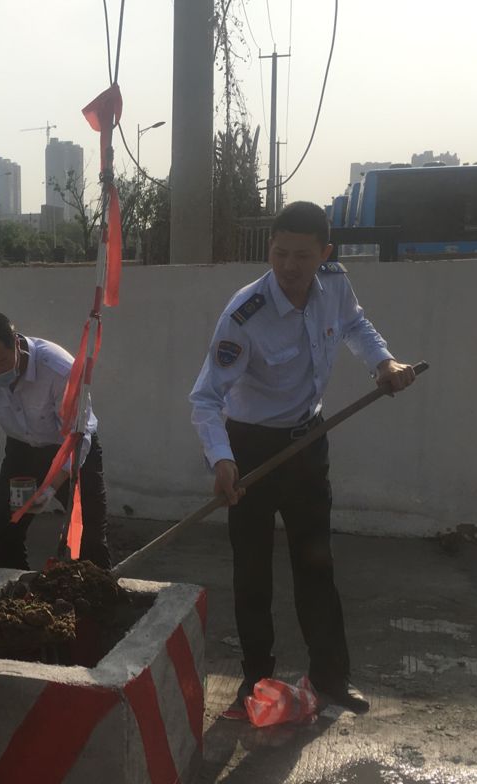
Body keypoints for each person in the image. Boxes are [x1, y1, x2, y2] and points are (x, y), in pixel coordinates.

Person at [189, 201, 417, 718]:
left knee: (316, 564)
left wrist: (383, 363)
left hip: (309, 442)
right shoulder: (245, 314)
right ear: (269, 250)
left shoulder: (335, 285)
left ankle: (331, 677)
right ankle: (255, 680)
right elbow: (205, 398)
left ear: (325, 254)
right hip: (250, 450)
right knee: (252, 573)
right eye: (279, 253)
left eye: (302, 256)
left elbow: (355, 325)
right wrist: (221, 460)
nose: (289, 266)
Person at [0, 310, 112, 570]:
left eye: (1, 362)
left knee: (89, 537)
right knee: (6, 534)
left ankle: (97, 591)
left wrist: (51, 487)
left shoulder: (58, 369)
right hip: (22, 453)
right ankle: (14, 590)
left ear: (16, 344)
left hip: (72, 452)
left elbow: (78, 436)